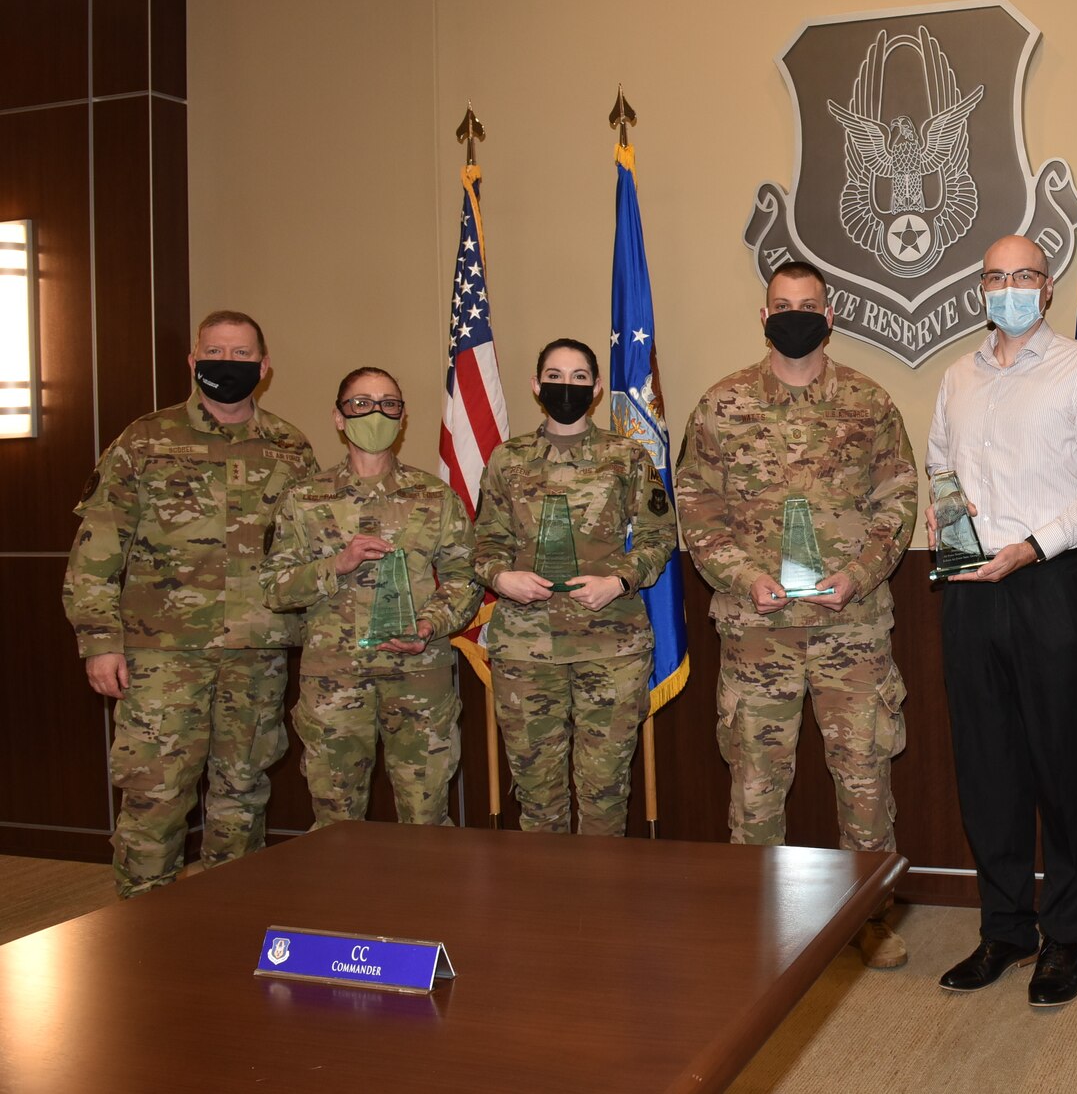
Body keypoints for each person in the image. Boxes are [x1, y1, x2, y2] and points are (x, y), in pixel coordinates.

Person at [677, 260, 919, 968]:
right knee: (755, 785)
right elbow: (697, 507)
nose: (794, 314)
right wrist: (745, 575)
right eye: (782, 304)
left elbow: (899, 502)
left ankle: (869, 918)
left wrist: (859, 572)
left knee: (865, 775)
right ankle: (755, 920)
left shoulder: (870, 404)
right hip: (759, 633)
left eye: (807, 304)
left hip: (853, 628)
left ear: (830, 313)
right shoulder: (721, 405)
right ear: (762, 315)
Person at [928, 234, 1077, 1007]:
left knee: (1062, 769)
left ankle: (1065, 937)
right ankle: (1006, 927)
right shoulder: (957, 377)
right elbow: (941, 469)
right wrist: (951, 531)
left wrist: (1032, 546)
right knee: (987, 768)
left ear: (1047, 289)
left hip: (1049, 581)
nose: (1008, 286)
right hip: (967, 590)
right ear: (979, 288)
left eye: (1023, 275)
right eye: (994, 276)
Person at [62, 310, 317, 897]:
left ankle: (226, 924)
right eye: (215, 352)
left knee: (243, 795)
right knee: (155, 797)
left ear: (265, 365)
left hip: (257, 655)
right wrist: (99, 642)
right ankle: (141, 933)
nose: (227, 364)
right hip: (162, 657)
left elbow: (305, 552)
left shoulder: (290, 446)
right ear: (193, 360)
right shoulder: (144, 440)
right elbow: (97, 549)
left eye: (241, 355)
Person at [471, 337, 676, 836]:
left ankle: (602, 907)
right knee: (537, 797)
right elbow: (484, 542)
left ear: (598, 387)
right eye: (556, 376)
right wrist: (502, 577)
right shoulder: (507, 459)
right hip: (526, 649)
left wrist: (618, 580)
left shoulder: (626, 456)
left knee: (604, 795)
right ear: (536, 386)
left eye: (580, 377)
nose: (568, 386)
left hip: (610, 645)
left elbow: (659, 534)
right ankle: (546, 909)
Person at [262, 367, 480, 827]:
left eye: (389, 404)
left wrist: (429, 625)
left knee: (426, 817)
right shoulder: (304, 499)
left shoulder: (435, 497)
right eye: (361, 403)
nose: (376, 412)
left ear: (402, 418)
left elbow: (465, 580)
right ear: (339, 418)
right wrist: (334, 566)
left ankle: (426, 902)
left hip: (419, 676)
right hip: (334, 679)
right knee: (336, 824)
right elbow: (274, 588)